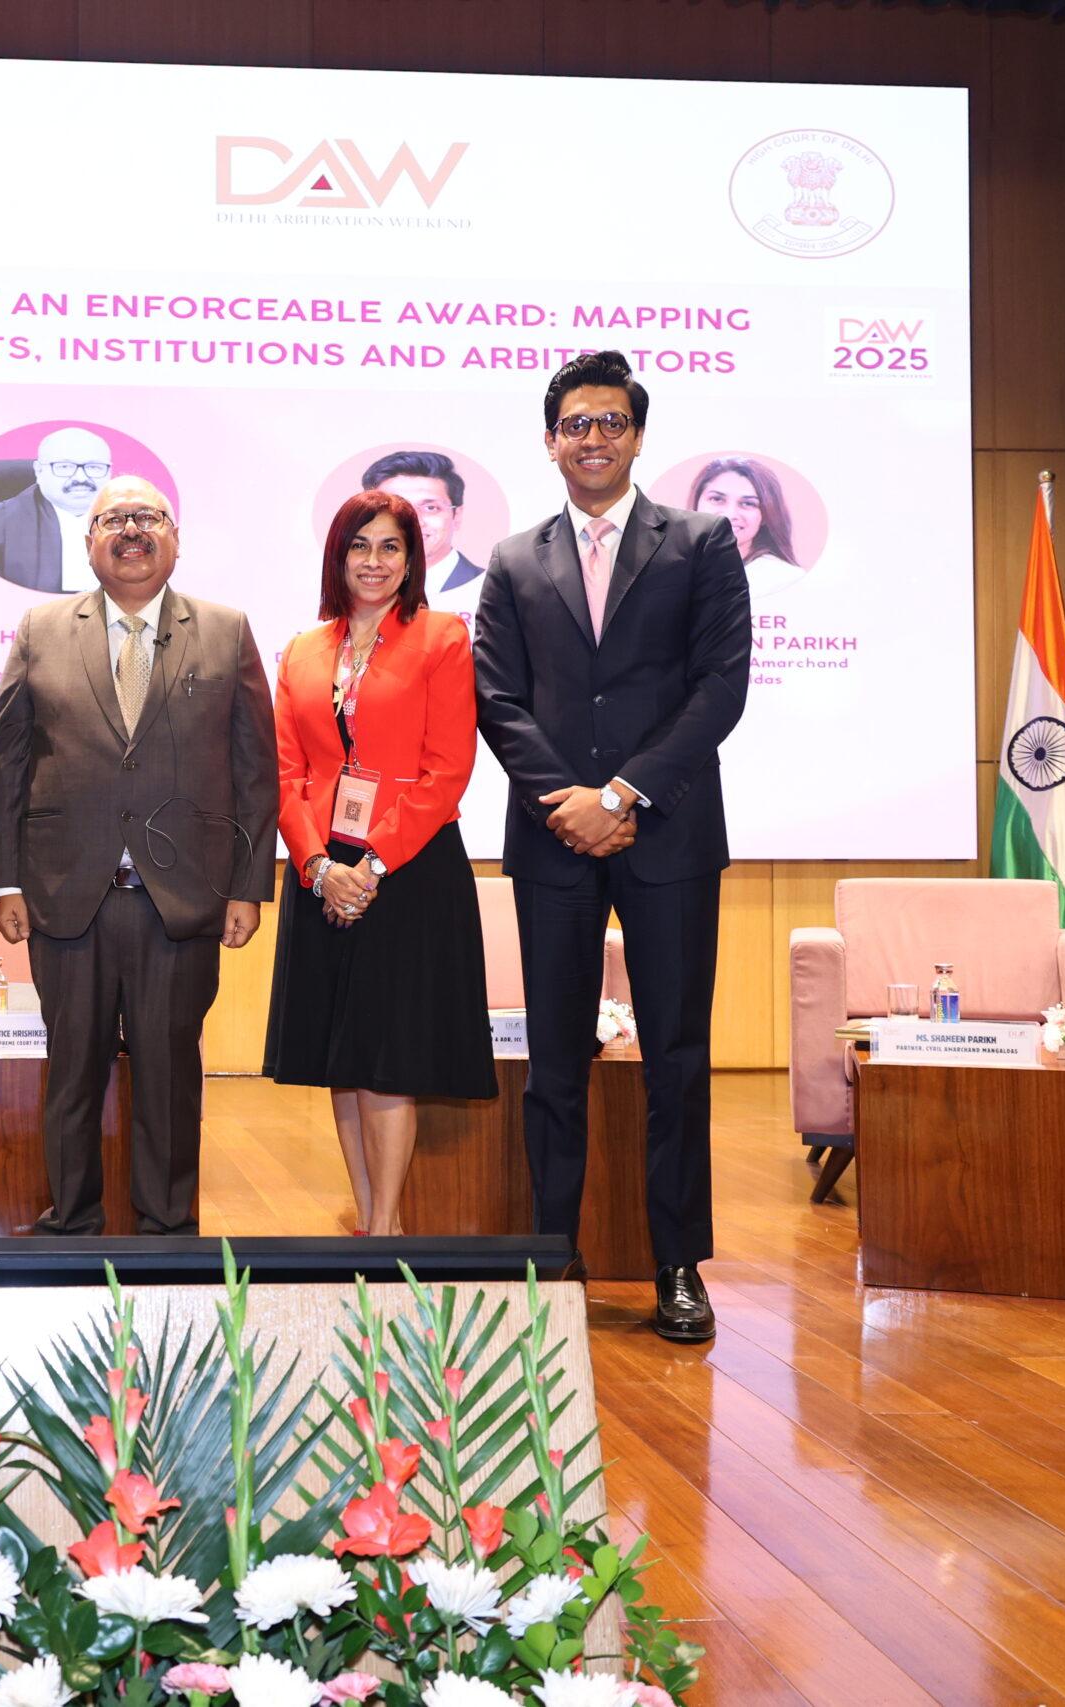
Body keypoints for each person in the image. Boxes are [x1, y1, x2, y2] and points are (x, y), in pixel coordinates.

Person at [475, 349, 750, 1342]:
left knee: (675, 1054)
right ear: (550, 442)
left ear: (636, 436)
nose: (592, 438)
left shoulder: (701, 541)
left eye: (610, 422)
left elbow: (720, 687)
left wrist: (623, 792)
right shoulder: (513, 558)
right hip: (553, 835)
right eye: (575, 424)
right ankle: (552, 1260)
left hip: (668, 831)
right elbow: (497, 696)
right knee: (554, 1059)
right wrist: (569, 801)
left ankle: (677, 1263)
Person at [0, 477, 277, 1235]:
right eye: (112, 519)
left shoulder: (226, 629)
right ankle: (71, 1224)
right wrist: (5, 879)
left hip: (181, 899)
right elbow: (8, 761)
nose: (132, 530)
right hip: (64, 894)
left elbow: (255, 768)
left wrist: (248, 887)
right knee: (71, 1075)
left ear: (176, 538)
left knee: (171, 1077)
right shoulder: (41, 627)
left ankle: (170, 1230)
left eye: (149, 517)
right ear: (88, 542)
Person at [266, 490, 495, 1235]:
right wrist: (316, 866)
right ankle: (367, 1225)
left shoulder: (442, 636)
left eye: (390, 546)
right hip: (322, 875)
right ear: (337, 556)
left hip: (408, 870)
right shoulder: (303, 649)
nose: (374, 561)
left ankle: (389, 1231)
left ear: (412, 557)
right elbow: (285, 774)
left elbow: (446, 770)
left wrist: (369, 867)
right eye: (359, 545)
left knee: (388, 1059)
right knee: (343, 1058)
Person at [0, 425, 115, 592]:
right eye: (64, 467)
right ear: (39, 471)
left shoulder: (130, 521)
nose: (81, 478)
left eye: (94, 467)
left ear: (109, 471)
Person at [363, 449, 483, 614]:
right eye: (395, 508)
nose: (414, 520)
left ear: (457, 516)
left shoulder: (489, 588)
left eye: (430, 508)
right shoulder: (351, 590)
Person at [687, 456, 802, 597]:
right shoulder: (673, 567)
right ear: (696, 504)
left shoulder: (784, 579)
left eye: (748, 503)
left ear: (766, 515)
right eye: (717, 499)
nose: (729, 515)